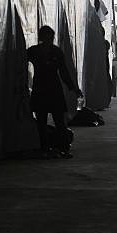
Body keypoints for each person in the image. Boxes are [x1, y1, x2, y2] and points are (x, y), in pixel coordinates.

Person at [27, 26, 82, 159]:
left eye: (50, 37)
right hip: (44, 88)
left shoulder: (52, 52)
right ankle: (46, 148)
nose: (49, 40)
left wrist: (73, 88)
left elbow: (64, 72)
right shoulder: (35, 51)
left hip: (50, 89)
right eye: (47, 37)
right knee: (43, 121)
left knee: (58, 121)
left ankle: (61, 148)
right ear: (41, 38)